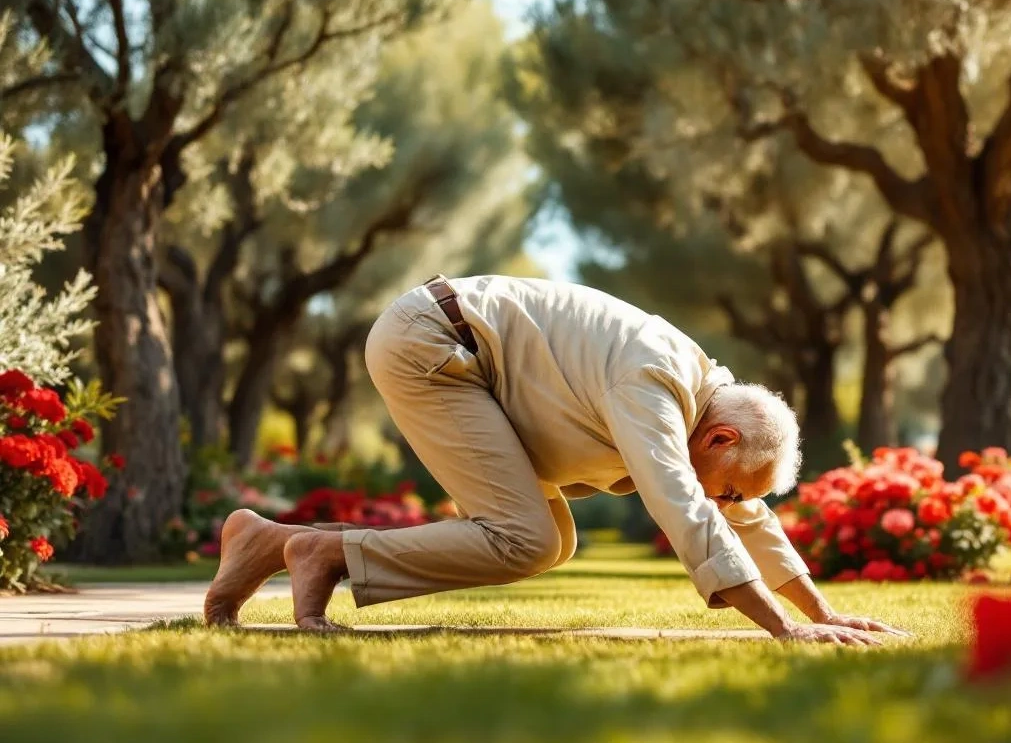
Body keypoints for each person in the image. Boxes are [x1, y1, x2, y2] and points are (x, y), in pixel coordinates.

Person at [204, 275, 905, 645]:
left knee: (549, 541)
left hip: (456, 352)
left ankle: (270, 543)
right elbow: (684, 505)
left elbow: (741, 515)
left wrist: (823, 612)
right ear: (720, 440)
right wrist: (782, 627)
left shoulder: (702, 401)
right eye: (729, 488)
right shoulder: (654, 382)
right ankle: (322, 554)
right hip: (434, 345)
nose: (727, 504)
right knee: (526, 537)